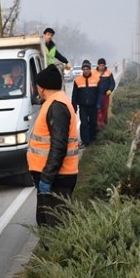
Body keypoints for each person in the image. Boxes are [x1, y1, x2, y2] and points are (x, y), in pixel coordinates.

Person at [27, 65, 79, 228]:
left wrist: (47, 179)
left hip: (57, 178)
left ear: (41, 87)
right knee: (45, 221)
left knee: (56, 226)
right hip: (54, 177)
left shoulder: (56, 106)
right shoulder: (55, 102)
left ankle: (62, 254)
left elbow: (59, 146)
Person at [71, 59, 101, 146]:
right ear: (82, 70)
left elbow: (99, 93)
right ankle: (85, 141)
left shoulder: (96, 79)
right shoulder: (77, 80)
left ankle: (93, 139)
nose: (86, 71)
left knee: (93, 123)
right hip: (83, 107)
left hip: (93, 106)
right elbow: (74, 95)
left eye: (87, 69)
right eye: (84, 69)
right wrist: (74, 106)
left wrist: (98, 103)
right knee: (83, 124)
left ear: (90, 69)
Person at [95, 58, 116, 131]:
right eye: (100, 65)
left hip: (105, 95)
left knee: (104, 110)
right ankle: (98, 126)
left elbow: (112, 83)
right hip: (96, 96)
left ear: (105, 65)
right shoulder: (94, 73)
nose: (101, 67)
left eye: (103, 65)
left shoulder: (109, 73)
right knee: (97, 111)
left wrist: (110, 90)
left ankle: (104, 125)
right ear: (98, 65)